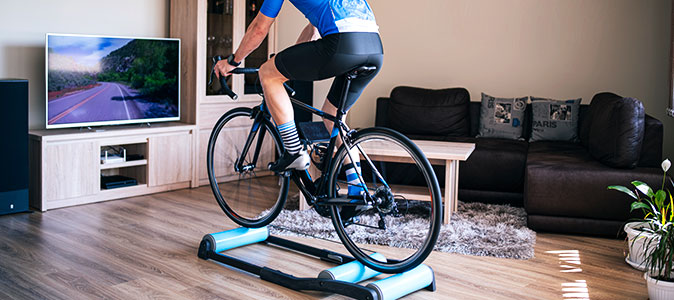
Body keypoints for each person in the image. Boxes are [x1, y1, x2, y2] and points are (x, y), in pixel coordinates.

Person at [215, 0, 383, 198]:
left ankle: (294, 151)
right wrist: (288, 64)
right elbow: (312, 30)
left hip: (342, 43)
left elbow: (259, 29)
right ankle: (358, 191)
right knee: (332, 116)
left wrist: (232, 62)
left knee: (267, 73)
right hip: (374, 48)